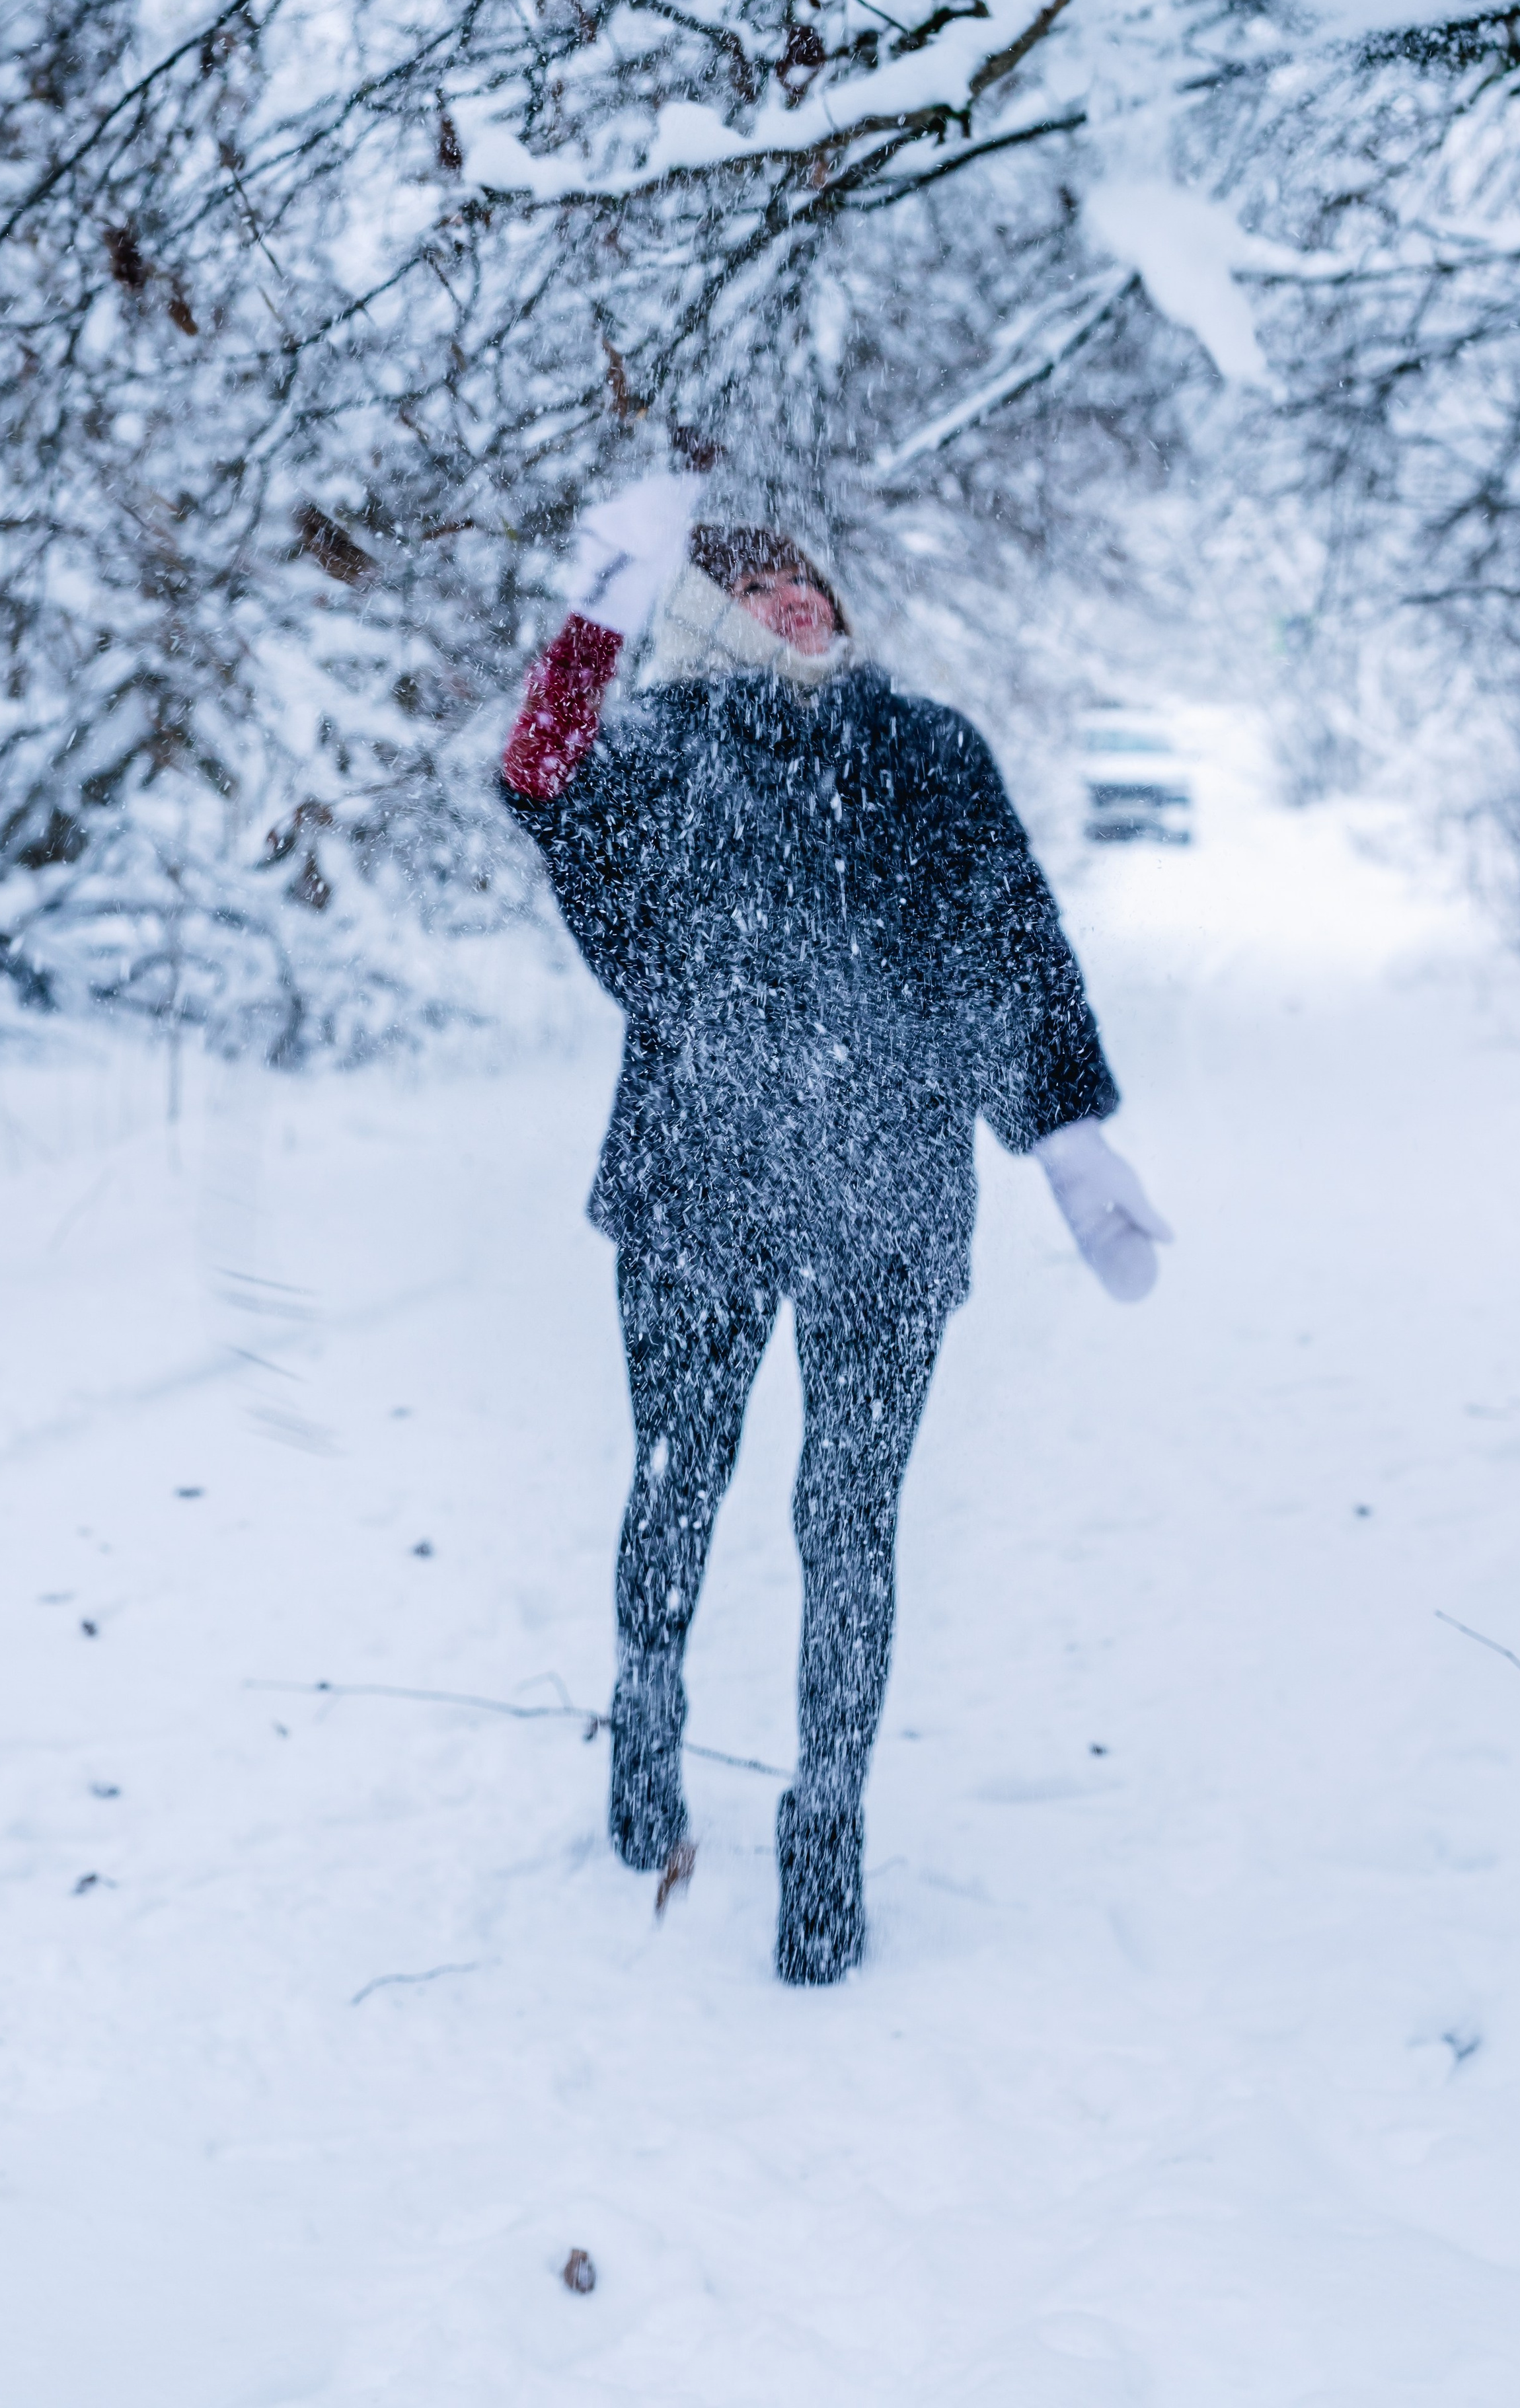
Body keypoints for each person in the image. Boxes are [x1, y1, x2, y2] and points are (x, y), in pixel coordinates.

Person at [497, 470, 1171, 1986]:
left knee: (848, 1523)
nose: (797, 600)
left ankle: (827, 1833)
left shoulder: (924, 754)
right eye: (755, 588)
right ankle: (645, 1734)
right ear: (701, 620)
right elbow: (537, 778)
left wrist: (1066, 1139)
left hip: (884, 1200)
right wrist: (597, 605)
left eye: (812, 584)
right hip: (698, 1192)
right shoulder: (658, 755)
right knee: (676, 1488)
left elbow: (1010, 940)